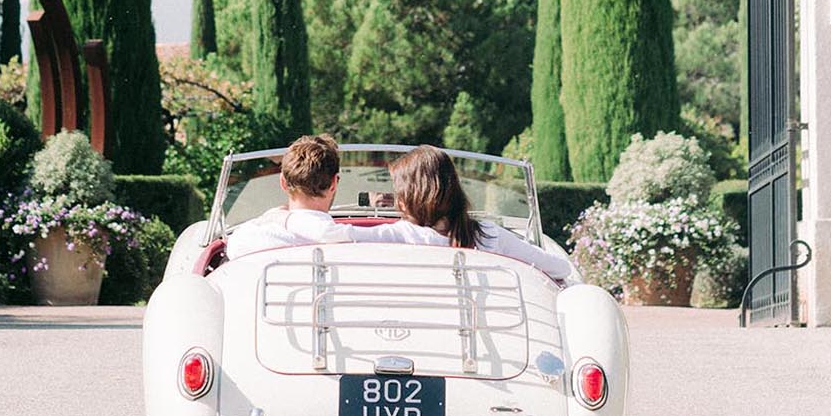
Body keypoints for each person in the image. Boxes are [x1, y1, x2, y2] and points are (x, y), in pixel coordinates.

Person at [225, 133, 447, 259]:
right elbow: (434, 240)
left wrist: (275, 216)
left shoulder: (247, 239)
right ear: (334, 183)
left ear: (283, 182)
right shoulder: (358, 238)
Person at [388, 145, 572, 281]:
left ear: (409, 198)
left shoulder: (403, 234)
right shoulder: (488, 234)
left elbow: (358, 236)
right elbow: (560, 268)